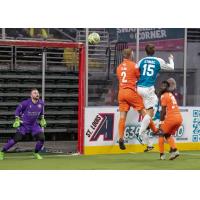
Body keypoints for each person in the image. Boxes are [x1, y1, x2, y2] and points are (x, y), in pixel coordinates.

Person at [116, 48, 157, 150]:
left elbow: (120, 78)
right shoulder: (134, 65)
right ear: (130, 55)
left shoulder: (119, 67)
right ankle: (156, 130)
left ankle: (121, 138)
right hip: (131, 92)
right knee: (145, 113)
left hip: (121, 93)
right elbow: (139, 77)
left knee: (122, 118)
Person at [136, 44, 174, 151]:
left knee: (149, 110)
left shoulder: (142, 61)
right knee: (151, 112)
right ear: (154, 51)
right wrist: (171, 59)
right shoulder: (158, 61)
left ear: (145, 51)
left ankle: (147, 140)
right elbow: (172, 67)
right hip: (148, 88)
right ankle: (141, 133)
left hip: (139, 88)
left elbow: (135, 70)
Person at [0, 89, 47, 160]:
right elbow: (17, 111)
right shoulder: (25, 103)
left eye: (37, 93)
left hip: (34, 125)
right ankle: (2, 152)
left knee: (42, 138)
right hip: (24, 125)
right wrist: (17, 119)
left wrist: (43, 118)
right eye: (34, 93)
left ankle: (36, 153)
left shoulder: (41, 103)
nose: (37, 94)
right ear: (31, 95)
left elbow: (41, 112)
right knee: (16, 138)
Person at [158, 81, 182, 160]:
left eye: (164, 86)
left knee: (161, 133)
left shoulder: (163, 96)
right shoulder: (171, 94)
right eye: (162, 85)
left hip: (171, 118)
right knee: (167, 134)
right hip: (179, 118)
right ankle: (174, 151)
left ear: (167, 87)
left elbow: (163, 111)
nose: (163, 87)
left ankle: (162, 155)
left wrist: (161, 122)